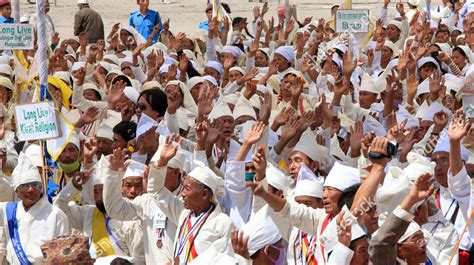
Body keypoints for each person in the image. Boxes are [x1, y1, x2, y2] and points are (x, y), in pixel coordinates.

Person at [0, 153, 69, 264]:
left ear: (41, 187)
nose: (31, 190)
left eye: (35, 184)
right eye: (24, 185)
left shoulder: (56, 215)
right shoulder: (8, 210)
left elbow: (63, 255)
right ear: (16, 191)